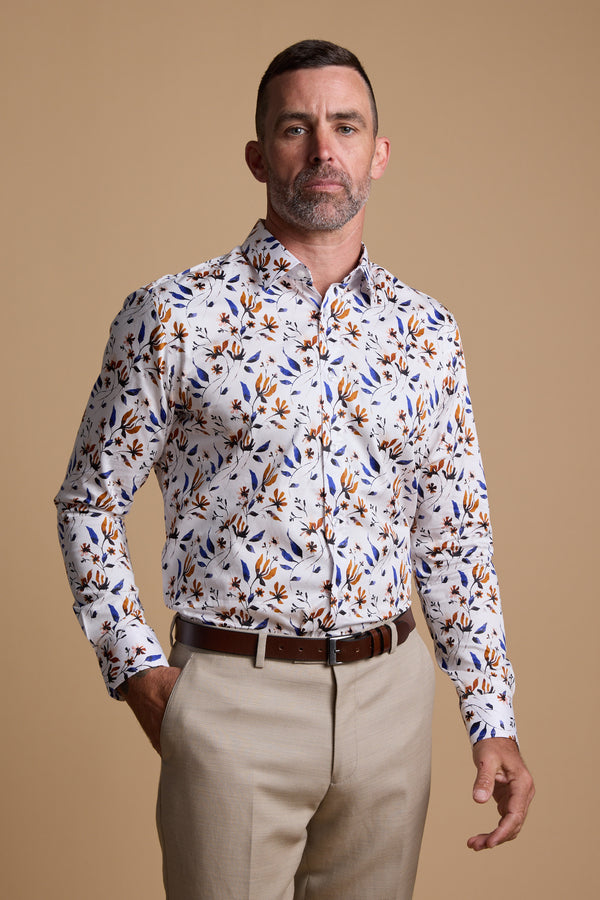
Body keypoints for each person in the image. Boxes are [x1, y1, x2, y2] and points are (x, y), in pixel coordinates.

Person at [55, 39, 534, 900]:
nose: (323, 150)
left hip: (392, 701)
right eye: (295, 128)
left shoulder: (428, 333)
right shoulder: (173, 314)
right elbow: (89, 503)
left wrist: (491, 719)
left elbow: (453, 535)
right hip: (234, 701)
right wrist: (136, 671)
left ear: (377, 154)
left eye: (345, 127)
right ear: (257, 154)